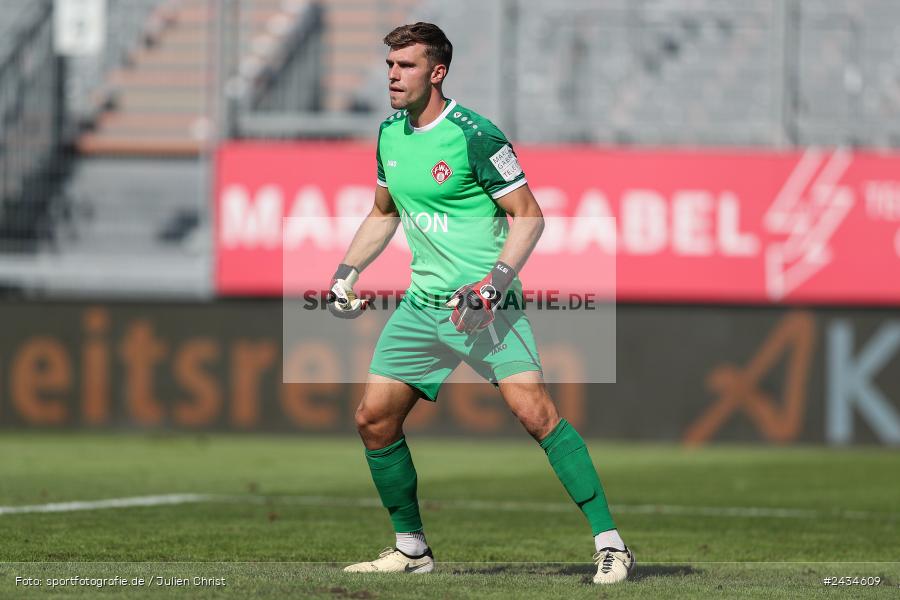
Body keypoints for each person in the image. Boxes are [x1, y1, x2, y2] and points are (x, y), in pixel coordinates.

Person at [328, 22, 633, 585]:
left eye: (407, 66)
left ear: (437, 72)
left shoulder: (476, 135)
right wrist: (347, 272)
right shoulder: (389, 133)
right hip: (423, 306)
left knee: (536, 416)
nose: (393, 75)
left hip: (485, 305)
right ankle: (411, 548)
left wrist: (493, 284)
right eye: (390, 65)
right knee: (374, 419)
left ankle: (611, 544)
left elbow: (529, 215)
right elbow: (383, 213)